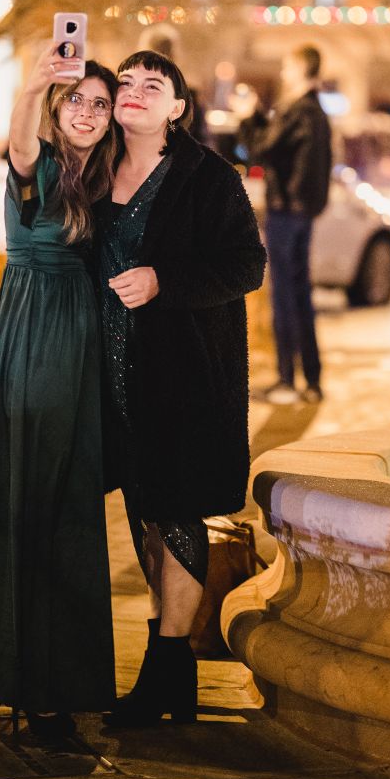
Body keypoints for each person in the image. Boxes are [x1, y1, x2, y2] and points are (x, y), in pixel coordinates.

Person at [96, 49, 266, 729]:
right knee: (144, 510)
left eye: (153, 85)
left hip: (185, 378)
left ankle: (168, 668)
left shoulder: (206, 177)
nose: (135, 91)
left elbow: (246, 264)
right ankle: (169, 669)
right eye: (126, 82)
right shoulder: (96, 166)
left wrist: (165, 282)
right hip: (114, 375)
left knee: (177, 512)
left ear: (177, 108)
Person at [0, 45, 119, 742]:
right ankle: (29, 680)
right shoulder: (39, 160)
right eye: (74, 99)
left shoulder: (107, 176)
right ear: (56, 108)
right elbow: (18, 143)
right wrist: (30, 86)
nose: (86, 112)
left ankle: (63, 681)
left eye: (99, 104)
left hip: (81, 336)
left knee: (70, 505)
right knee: (30, 499)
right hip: (35, 329)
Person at [234, 45, 332, 405]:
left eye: (288, 66)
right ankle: (311, 379)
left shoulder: (298, 110)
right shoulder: (315, 112)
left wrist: (247, 117)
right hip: (302, 212)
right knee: (300, 295)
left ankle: (288, 380)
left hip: (286, 212)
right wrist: (258, 115)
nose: (283, 72)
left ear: (302, 68)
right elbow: (276, 145)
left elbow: (260, 148)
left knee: (286, 297)